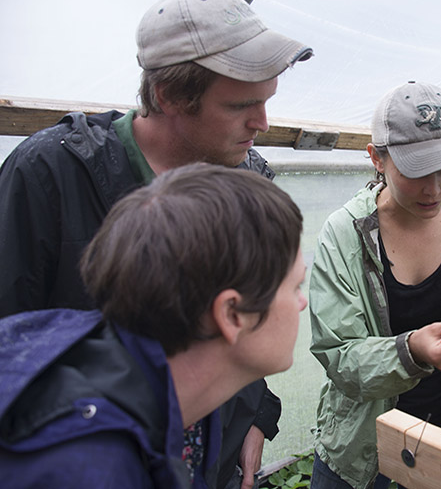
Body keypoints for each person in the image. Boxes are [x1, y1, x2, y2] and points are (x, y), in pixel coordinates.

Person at [0, 0, 312, 487]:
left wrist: (257, 411)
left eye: (267, 100)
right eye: (241, 105)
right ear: (168, 95)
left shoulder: (247, 176)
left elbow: (244, 319)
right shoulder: (51, 173)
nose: (262, 123)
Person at [0, 163, 308, 488]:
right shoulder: (84, 469)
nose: (301, 302)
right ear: (232, 314)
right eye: (295, 287)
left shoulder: (187, 407)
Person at [307, 81, 441, 488]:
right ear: (377, 159)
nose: (435, 187)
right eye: (416, 170)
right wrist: (411, 353)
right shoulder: (345, 234)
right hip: (361, 453)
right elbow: (339, 354)